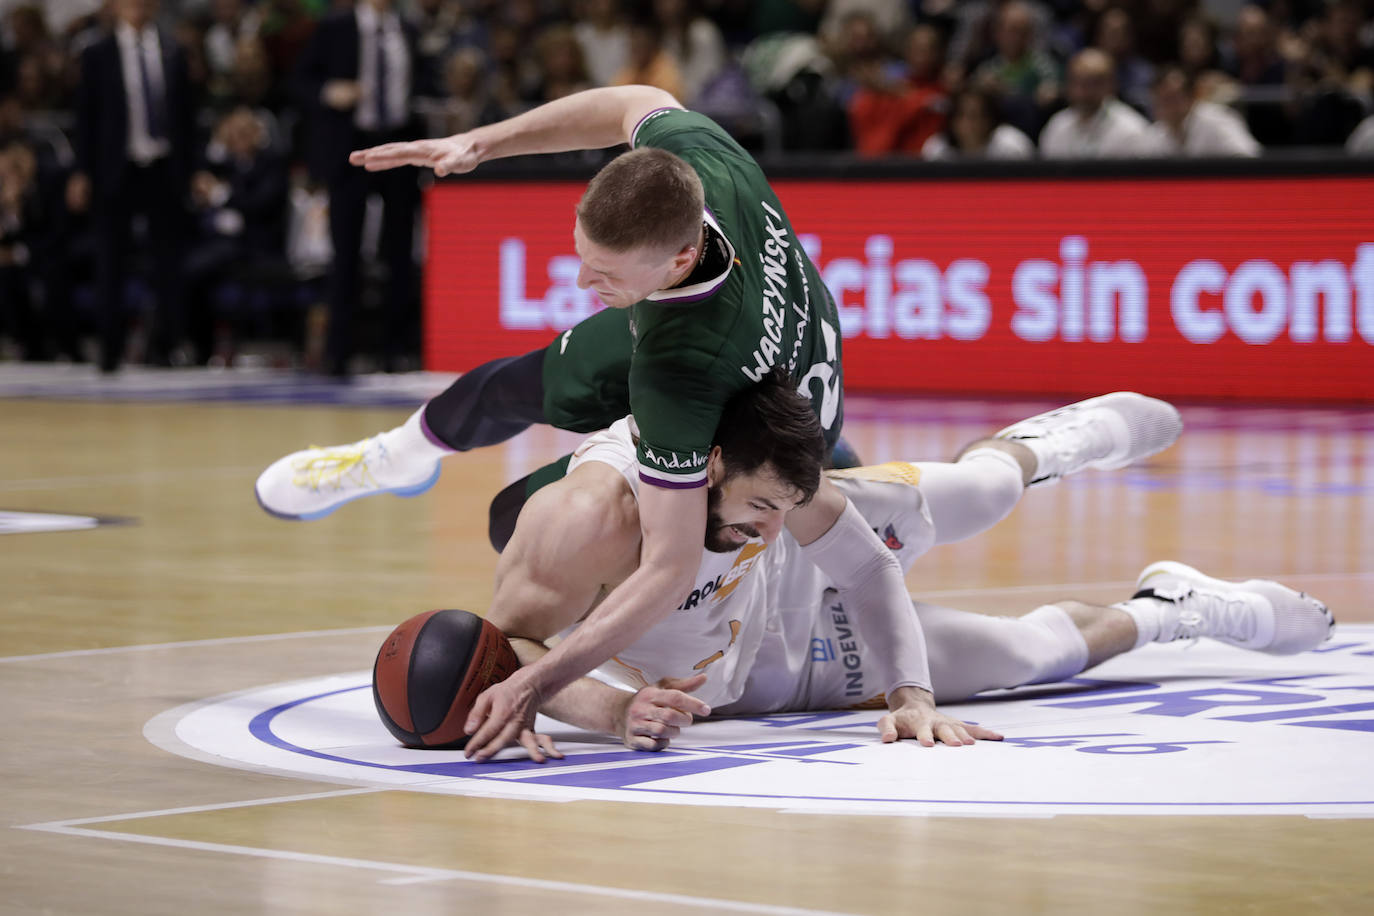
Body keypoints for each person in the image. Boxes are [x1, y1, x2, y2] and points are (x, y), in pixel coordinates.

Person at [255, 83, 1019, 760]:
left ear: (681, 258)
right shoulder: (705, 167)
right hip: (789, 383)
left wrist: (539, 681)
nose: (584, 283)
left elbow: (667, 565)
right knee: (524, 383)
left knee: (522, 517)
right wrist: (486, 142)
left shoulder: (676, 378)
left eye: (607, 275)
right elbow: (630, 99)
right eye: (582, 256)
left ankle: (814, 563)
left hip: (748, 394)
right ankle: (392, 456)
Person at [476, 377, 1331, 761]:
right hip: (769, 681)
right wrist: (614, 707)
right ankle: (1174, 608)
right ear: (705, 465)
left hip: (799, 600)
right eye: (760, 511)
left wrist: (911, 697)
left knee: (982, 492)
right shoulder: (587, 517)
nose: (772, 528)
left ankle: (1066, 437)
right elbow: (505, 646)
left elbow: (867, 569)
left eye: (784, 510)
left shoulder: (778, 487)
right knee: (1029, 658)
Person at [290, 0, 422, 376]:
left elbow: (420, 82)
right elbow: (300, 81)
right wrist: (328, 92)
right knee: (345, 253)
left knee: (398, 253)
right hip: (350, 149)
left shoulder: (407, 29)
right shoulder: (335, 28)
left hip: (399, 147)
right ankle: (339, 352)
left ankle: (396, 350)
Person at [66, 0, 195, 372]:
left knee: (168, 261)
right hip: (115, 169)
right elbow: (85, 118)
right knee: (110, 261)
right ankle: (110, 350)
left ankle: (169, 346)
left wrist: (194, 170)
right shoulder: (97, 53)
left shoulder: (173, 50)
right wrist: (81, 172)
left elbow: (187, 117)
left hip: (163, 167)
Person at [1038, 48, 1150, 159]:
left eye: (1092, 83)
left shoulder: (1131, 130)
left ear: (1111, 85)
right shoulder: (1057, 125)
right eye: (1076, 82)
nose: (1081, 92)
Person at [1142, 65, 1260, 157]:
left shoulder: (1218, 121)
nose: (1165, 106)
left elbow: (1249, 158)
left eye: (1171, 98)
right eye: (1159, 99)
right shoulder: (1156, 133)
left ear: (1192, 96)